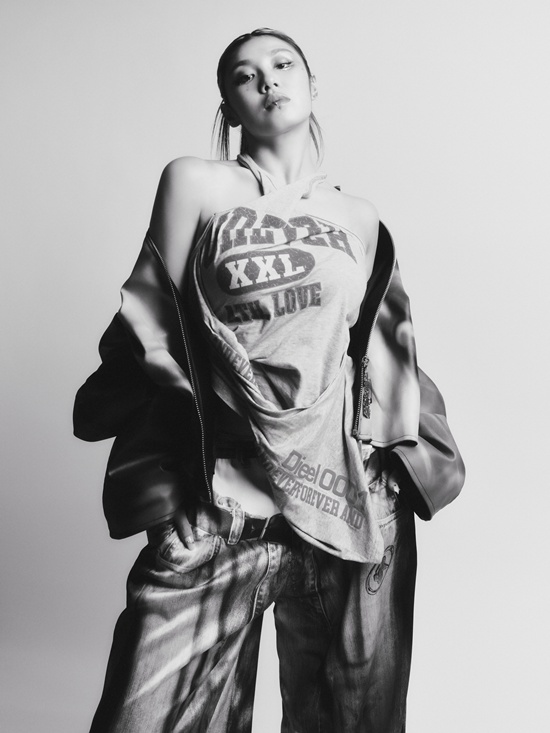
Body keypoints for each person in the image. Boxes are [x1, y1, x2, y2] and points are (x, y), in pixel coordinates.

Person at [74, 28, 465, 733]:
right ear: (228, 106)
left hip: (347, 512)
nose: (267, 80)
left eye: (283, 65)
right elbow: (150, 325)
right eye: (244, 74)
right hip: (227, 514)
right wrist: (180, 484)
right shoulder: (197, 183)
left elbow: (388, 356)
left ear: (313, 87)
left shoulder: (358, 216)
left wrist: (389, 461)